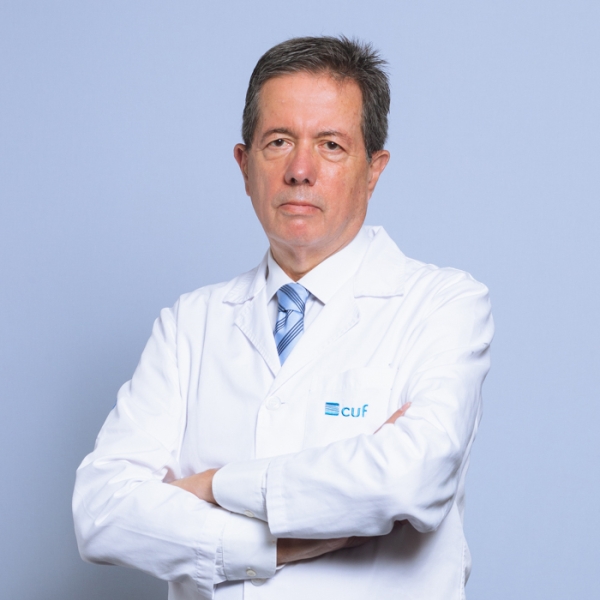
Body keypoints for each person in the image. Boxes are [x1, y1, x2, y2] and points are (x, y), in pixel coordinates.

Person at [73, 36, 494, 600]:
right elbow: (101, 513)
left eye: (331, 145)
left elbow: (412, 478)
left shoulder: (443, 304)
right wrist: (268, 546)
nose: (300, 170)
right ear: (245, 165)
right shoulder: (189, 325)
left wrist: (215, 485)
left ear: (374, 169)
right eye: (278, 142)